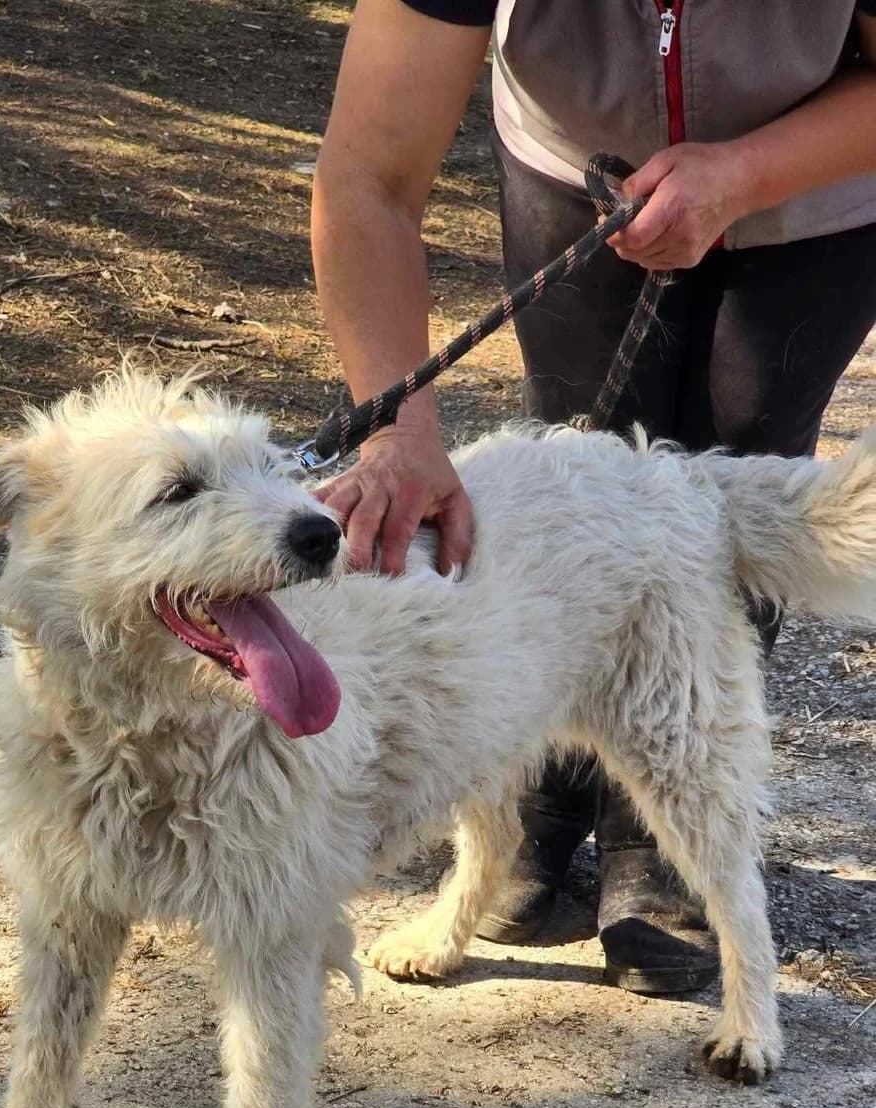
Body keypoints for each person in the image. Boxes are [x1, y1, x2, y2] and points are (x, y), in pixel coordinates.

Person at [311, 0, 876, 994]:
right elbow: (368, 175)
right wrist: (400, 431)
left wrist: (742, 177)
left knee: (739, 450)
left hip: (816, 187)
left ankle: (655, 844)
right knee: (579, 461)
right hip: (576, 164)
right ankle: (536, 806)